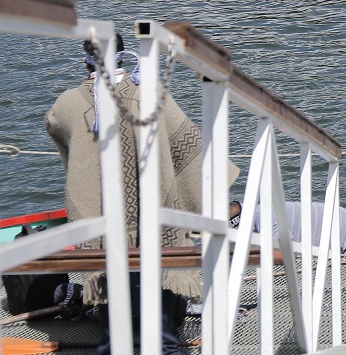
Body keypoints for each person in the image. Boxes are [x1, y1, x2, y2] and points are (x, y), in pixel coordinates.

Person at [46, 37, 228, 355]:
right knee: (166, 249)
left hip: (103, 214)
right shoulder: (150, 95)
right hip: (158, 209)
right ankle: (164, 343)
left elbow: (53, 125)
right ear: (122, 55)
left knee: (106, 259)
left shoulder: (69, 103)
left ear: (87, 59)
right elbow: (185, 140)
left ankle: (115, 343)